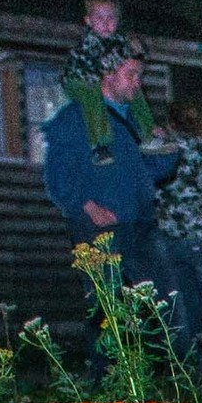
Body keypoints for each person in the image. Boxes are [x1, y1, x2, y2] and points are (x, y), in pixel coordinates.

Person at [41, 52, 176, 304]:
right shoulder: (75, 118)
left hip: (141, 225)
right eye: (131, 74)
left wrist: (166, 148)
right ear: (108, 73)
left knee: (165, 303)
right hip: (99, 229)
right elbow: (58, 174)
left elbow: (153, 173)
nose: (137, 82)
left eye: (140, 75)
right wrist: (88, 206)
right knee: (109, 308)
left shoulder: (138, 120)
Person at [153, 105, 202, 358]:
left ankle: (183, 357)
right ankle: (183, 354)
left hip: (176, 238)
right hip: (198, 240)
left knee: (185, 306)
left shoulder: (168, 147)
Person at [60, 0, 140, 163]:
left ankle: (148, 132)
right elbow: (99, 69)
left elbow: (131, 56)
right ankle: (98, 145)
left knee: (133, 89)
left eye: (111, 18)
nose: (106, 23)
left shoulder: (119, 40)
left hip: (101, 79)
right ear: (89, 21)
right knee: (93, 94)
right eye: (100, 18)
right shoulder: (90, 42)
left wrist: (135, 49)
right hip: (77, 81)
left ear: (117, 21)